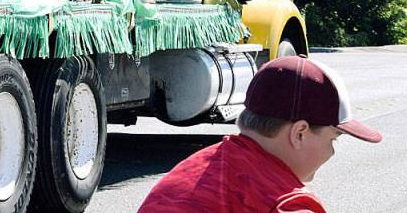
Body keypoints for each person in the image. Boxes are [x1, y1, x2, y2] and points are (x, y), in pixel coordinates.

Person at [139, 55, 383, 213]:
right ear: (300, 133)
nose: (331, 153)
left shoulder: (190, 169)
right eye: (332, 139)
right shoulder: (284, 204)